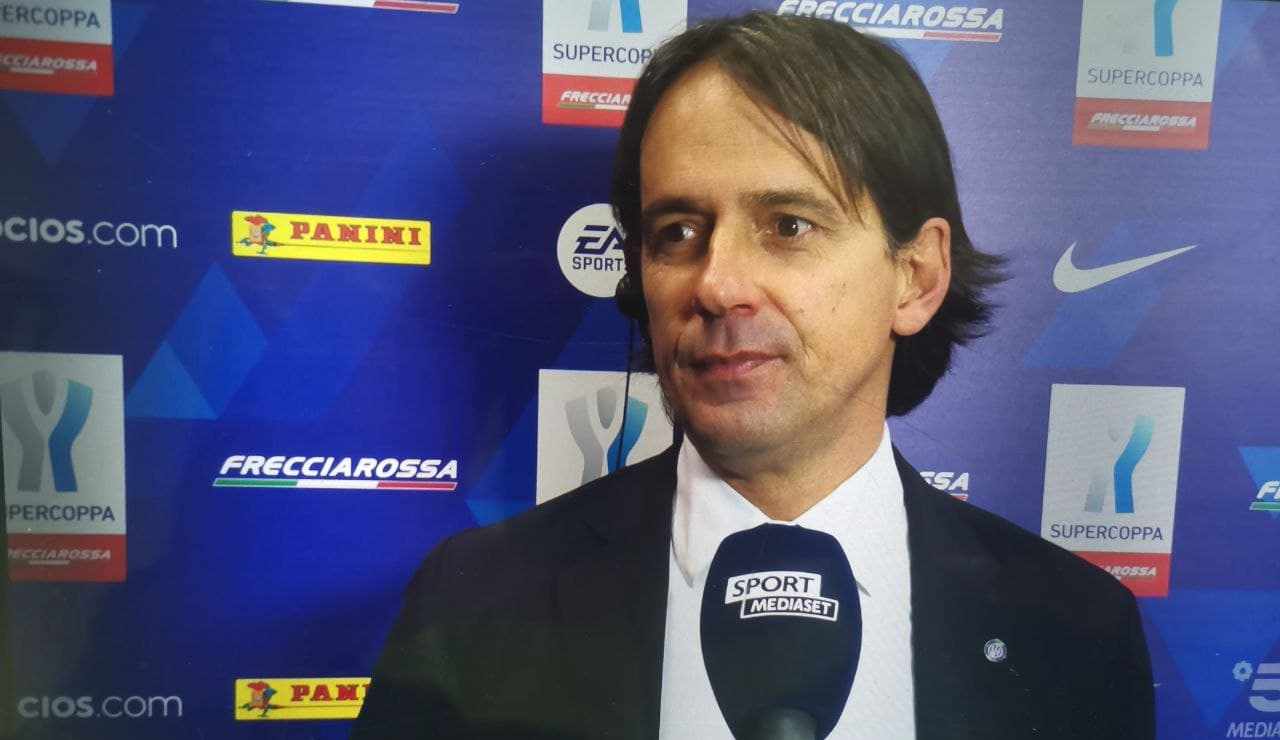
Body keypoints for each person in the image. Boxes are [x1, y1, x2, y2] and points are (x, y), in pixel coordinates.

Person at [353, 12, 1153, 739]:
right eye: (677, 232)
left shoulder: (1075, 629)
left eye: (788, 225)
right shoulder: (473, 604)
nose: (715, 283)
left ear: (915, 276)